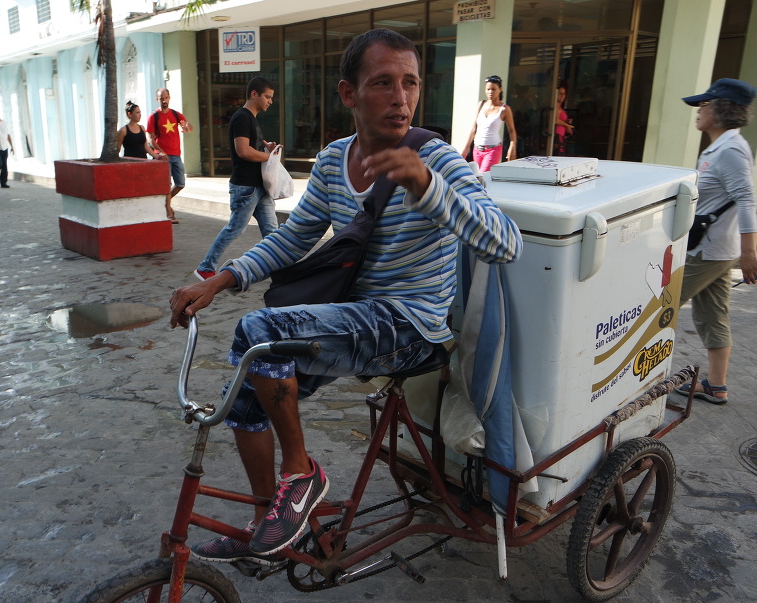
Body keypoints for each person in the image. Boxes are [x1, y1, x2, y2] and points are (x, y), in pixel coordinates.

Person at [169, 28, 521, 566]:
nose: (400, 98)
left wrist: (427, 186)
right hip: (357, 318)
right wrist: (220, 279)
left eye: (410, 83)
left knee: (259, 331)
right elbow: (294, 236)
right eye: (383, 83)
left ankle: (302, 474)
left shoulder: (438, 160)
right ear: (348, 93)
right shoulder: (335, 159)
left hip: (414, 327)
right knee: (243, 393)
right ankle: (270, 524)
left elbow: (506, 243)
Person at [675, 78, 757, 406]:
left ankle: (632, 376)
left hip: (709, 251)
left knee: (660, 305)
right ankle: (716, 385)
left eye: (704, 104)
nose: (698, 110)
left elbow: (746, 200)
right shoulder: (721, 147)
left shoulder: (731, 150)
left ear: (721, 110)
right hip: (716, 249)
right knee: (713, 315)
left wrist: (750, 253)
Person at [194, 77, 280, 281]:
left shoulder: (251, 118)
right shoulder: (242, 117)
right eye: (267, 97)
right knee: (235, 228)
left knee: (272, 231)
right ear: (254, 94)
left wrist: (267, 149)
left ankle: (279, 270)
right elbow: (243, 151)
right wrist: (269, 157)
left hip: (259, 185)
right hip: (246, 187)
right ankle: (206, 267)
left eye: (271, 98)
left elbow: (251, 149)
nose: (270, 101)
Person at [147, 88, 193, 223]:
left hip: (176, 154)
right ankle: (169, 213)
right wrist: (161, 152)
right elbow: (150, 139)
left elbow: (189, 127)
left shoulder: (175, 114)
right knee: (166, 185)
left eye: (166, 98)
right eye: (161, 98)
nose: (164, 100)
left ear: (169, 98)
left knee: (180, 183)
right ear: (157, 99)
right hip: (162, 157)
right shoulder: (154, 116)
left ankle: (163, 204)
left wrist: (187, 127)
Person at [461, 75, 517, 172]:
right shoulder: (481, 104)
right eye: (488, 89)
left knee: (483, 175)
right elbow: (474, 129)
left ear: (500, 89)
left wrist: (512, 146)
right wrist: (465, 150)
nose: (491, 92)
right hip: (477, 149)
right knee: (476, 176)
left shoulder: (504, 109)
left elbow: (512, 130)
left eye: (494, 89)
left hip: (493, 149)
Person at [553, 83, 574, 155]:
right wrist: (567, 125)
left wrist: (567, 122)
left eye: (564, 94)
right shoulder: (555, 106)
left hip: (562, 134)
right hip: (557, 134)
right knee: (559, 154)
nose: (562, 96)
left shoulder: (560, 107)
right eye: (560, 93)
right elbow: (555, 120)